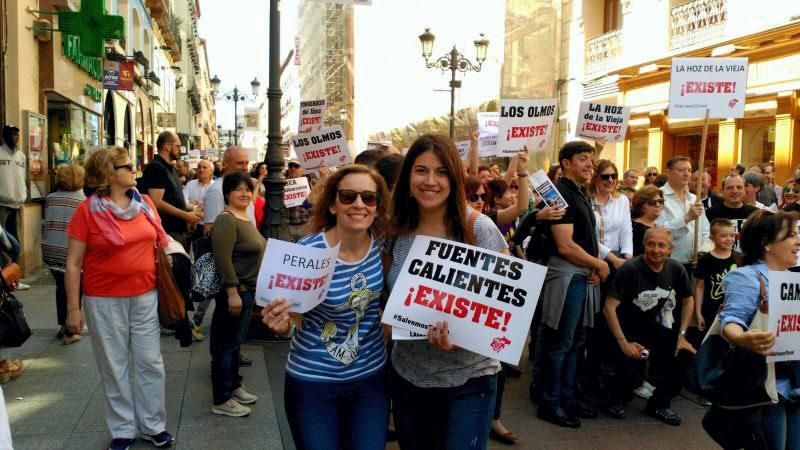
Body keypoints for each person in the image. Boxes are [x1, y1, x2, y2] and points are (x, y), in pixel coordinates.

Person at [386, 133, 507, 448]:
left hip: (470, 379)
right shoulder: (395, 230)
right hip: (408, 376)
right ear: (408, 176)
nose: (430, 181)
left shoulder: (478, 229)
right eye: (421, 170)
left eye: (441, 172)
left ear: (454, 178)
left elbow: (505, 309)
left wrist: (463, 337)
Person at [261, 164, 390, 449]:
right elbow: (290, 317)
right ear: (332, 205)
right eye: (348, 197)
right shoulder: (306, 254)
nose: (359, 204)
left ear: (378, 208)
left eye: (368, 198)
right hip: (312, 384)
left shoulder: (383, 248)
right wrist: (280, 322)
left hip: (370, 382)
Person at [64, 147, 174, 449]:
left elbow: (160, 242)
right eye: (128, 165)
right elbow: (73, 263)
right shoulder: (87, 211)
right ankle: (123, 430)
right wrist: (73, 308)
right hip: (103, 299)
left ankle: (154, 425)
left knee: (151, 362)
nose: (134, 169)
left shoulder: (145, 204)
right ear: (110, 174)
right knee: (114, 366)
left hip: (145, 295)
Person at [702, 210, 800, 449]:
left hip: (794, 385)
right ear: (766, 243)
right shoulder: (746, 277)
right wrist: (742, 337)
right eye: (791, 235)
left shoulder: (792, 279)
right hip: (764, 389)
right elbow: (732, 318)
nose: (798, 241)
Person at [533, 141, 608, 428]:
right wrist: (598, 264)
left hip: (581, 275)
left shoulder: (578, 192)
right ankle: (550, 404)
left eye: (592, 159)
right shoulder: (559, 194)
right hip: (567, 277)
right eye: (583, 159)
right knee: (560, 343)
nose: (590, 164)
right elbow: (565, 246)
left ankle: (566, 397)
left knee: (575, 343)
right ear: (565, 163)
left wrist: (592, 263)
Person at [602, 227, 696, 424]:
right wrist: (623, 343)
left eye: (662, 245)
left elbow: (688, 301)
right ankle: (615, 398)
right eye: (651, 244)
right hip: (620, 328)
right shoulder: (630, 269)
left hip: (649, 326)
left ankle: (659, 405)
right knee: (625, 370)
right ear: (644, 245)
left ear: (671, 248)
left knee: (682, 355)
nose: (656, 250)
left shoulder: (675, 268)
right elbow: (609, 308)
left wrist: (682, 335)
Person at [208, 171, 266, 417]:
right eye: (238, 190)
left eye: (247, 189)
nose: (244, 193)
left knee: (234, 344)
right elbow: (223, 259)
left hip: (248, 292)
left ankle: (234, 386)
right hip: (236, 292)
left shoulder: (244, 217)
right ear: (227, 194)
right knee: (225, 345)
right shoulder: (226, 219)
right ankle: (222, 398)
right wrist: (233, 292)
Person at [41, 163, 86, 345]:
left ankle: (62, 324)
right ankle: (71, 327)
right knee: (76, 288)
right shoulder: (82, 201)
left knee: (61, 287)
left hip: (51, 252)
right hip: (70, 254)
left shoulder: (50, 198)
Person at [141, 131, 203, 249]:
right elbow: (156, 202)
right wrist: (185, 215)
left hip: (178, 231)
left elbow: (173, 199)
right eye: (178, 146)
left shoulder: (171, 168)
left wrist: (191, 209)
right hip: (167, 232)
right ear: (167, 146)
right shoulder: (156, 167)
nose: (180, 149)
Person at [656, 156, 710, 266]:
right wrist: (686, 218)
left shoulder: (695, 199)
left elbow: (706, 230)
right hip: (670, 263)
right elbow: (658, 231)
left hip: (696, 264)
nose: (687, 174)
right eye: (681, 170)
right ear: (668, 172)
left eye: (689, 170)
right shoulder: (658, 197)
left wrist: (702, 253)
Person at [693, 218, 737, 337]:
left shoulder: (738, 259)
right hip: (710, 310)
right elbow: (699, 287)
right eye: (724, 236)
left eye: (732, 235)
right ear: (712, 238)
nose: (729, 239)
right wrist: (698, 312)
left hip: (732, 309)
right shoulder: (706, 260)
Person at [589, 160, 632, 270]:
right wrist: (611, 258)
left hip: (617, 261)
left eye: (614, 176)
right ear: (595, 178)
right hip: (591, 259)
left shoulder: (622, 200)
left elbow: (626, 231)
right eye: (605, 177)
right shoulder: (586, 201)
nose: (610, 180)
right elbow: (588, 237)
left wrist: (627, 257)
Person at [706, 173, 759, 252]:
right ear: (722, 191)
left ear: (744, 190)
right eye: (730, 188)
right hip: (721, 261)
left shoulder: (755, 214)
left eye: (739, 187)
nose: (735, 191)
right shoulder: (710, 213)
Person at [0, 125, 25, 241]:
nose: (14, 136)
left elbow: (23, 177)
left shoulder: (22, 156)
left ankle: (17, 260)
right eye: (10, 134)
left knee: (17, 241)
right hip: (2, 206)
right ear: (4, 136)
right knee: (4, 242)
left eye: (16, 134)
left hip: (18, 206)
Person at [630, 186, 665, 257]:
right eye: (652, 202)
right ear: (641, 205)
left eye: (660, 201)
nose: (658, 205)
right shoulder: (636, 228)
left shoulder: (657, 227)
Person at [285, 160, 311, 242]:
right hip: (288, 226)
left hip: (304, 225)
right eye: (291, 166)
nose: (293, 168)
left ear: (301, 170)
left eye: (296, 166)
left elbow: (313, 203)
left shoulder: (308, 184)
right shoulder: (282, 184)